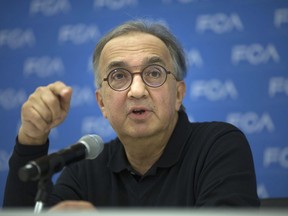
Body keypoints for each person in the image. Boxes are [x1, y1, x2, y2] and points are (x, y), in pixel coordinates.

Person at [3, 20, 260, 210]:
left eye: (154, 73)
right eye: (118, 76)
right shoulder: (85, 169)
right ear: (102, 103)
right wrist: (32, 139)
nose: (137, 90)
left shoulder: (219, 146)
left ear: (178, 95)